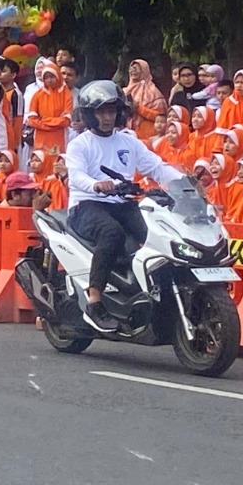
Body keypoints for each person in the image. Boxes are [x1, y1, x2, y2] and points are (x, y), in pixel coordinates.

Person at [64, 80, 184, 333]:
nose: (107, 117)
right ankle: (95, 301)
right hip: (87, 205)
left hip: (123, 203)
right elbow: (76, 177)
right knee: (112, 233)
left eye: (112, 111)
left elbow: (157, 167)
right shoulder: (79, 144)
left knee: (156, 233)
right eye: (101, 112)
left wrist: (184, 183)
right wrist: (96, 185)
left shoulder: (129, 141)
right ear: (89, 114)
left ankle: (151, 292)